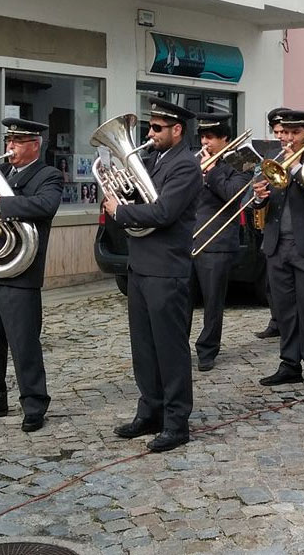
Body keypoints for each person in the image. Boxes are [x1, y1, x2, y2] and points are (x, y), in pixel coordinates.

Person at [104, 98, 203, 453]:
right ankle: (150, 411)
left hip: (167, 269)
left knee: (170, 349)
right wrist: (118, 189)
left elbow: (163, 212)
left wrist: (122, 211)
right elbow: (135, 194)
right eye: (150, 127)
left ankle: (177, 422)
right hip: (141, 267)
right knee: (143, 348)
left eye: (157, 128)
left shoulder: (187, 166)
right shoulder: (150, 159)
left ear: (178, 130)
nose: (150, 133)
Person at [0, 117, 64, 431]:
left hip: (21, 270)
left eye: (17, 142)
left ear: (35, 144)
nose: (10, 147)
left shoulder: (49, 175)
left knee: (23, 341)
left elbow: (45, 205)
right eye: (8, 141)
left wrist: (1, 202)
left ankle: (34, 403)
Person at [252, 109, 304, 391]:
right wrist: (258, 198)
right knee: (284, 310)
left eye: (294, 133)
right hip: (277, 244)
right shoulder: (273, 158)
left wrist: (297, 169)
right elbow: (262, 201)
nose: (287, 138)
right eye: (284, 132)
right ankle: (289, 364)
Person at [189, 112, 252, 371]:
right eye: (203, 136)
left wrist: (212, 171)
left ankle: (208, 350)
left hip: (216, 240)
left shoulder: (242, 162)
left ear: (225, 138)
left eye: (212, 137)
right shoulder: (192, 161)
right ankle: (178, 347)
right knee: (182, 300)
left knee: (213, 302)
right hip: (188, 239)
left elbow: (231, 195)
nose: (206, 142)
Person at [254, 107, 291, 340]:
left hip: (298, 236)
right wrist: (258, 194)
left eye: (284, 131)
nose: (280, 137)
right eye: (277, 132)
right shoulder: (271, 154)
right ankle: (276, 320)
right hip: (273, 230)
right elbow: (257, 189)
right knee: (272, 284)